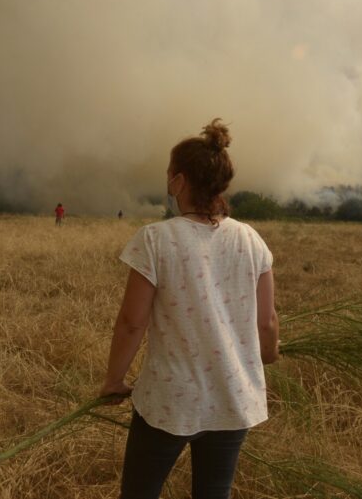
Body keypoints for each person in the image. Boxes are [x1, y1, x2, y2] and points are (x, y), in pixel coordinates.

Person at [99, 119, 280, 499]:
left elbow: (132, 323)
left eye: (169, 174)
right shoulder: (251, 240)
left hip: (169, 401)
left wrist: (114, 381)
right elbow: (267, 323)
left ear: (179, 181)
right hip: (232, 399)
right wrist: (267, 353)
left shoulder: (155, 239)